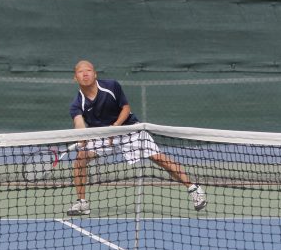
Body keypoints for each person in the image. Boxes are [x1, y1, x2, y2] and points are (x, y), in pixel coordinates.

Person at [66, 60, 207, 216]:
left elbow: (126, 108)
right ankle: (82, 203)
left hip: (129, 130)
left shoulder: (111, 86)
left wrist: (116, 126)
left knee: (159, 159)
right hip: (102, 137)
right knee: (80, 159)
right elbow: (79, 123)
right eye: (80, 71)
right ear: (75, 78)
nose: (85, 74)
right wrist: (82, 136)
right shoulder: (77, 103)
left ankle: (194, 189)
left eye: (89, 70)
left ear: (95, 74)